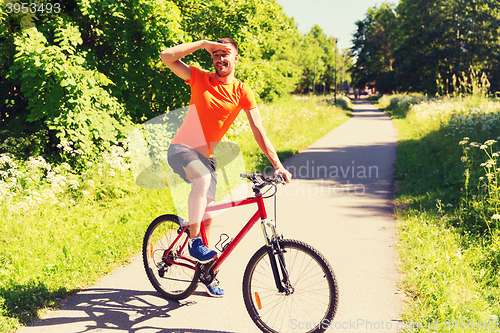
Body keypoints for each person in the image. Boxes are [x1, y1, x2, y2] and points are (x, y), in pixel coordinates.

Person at [160, 38, 292, 297]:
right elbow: (167, 57)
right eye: (216, 54)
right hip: (182, 149)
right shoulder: (199, 78)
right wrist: (203, 43)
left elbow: (258, 131)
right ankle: (194, 244)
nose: (220, 58)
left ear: (236, 58)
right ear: (212, 57)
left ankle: (207, 273)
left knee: (207, 215)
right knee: (202, 182)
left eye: (226, 54)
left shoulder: (243, 91)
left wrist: (277, 165)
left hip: (207, 156)